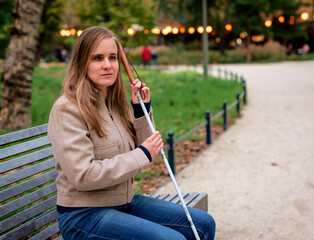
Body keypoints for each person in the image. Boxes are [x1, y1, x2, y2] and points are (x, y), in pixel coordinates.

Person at [48, 26, 215, 240]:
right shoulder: (67, 110)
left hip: (123, 203)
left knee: (203, 224)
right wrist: (143, 153)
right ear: (82, 63)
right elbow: (83, 176)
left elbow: (144, 153)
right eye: (97, 58)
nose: (108, 65)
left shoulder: (115, 105)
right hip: (83, 215)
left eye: (113, 57)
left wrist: (140, 109)